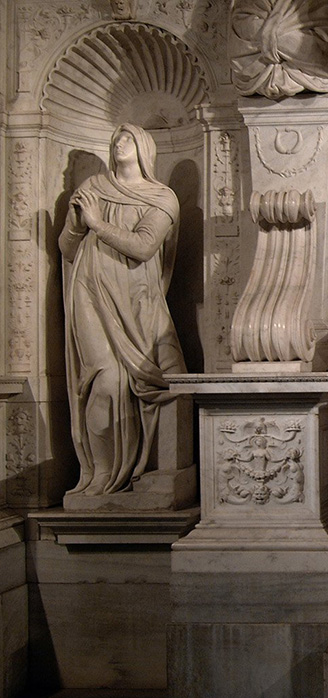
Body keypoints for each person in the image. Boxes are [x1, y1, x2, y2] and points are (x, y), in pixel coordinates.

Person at [60, 123, 186, 497]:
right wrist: (74, 223)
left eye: (128, 137)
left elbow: (145, 247)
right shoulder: (93, 188)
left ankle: (134, 471)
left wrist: (97, 223)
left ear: (145, 147)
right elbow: (68, 248)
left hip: (136, 299)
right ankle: (100, 471)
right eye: (116, 138)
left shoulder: (162, 197)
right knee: (104, 378)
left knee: (148, 378)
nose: (120, 143)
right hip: (88, 290)